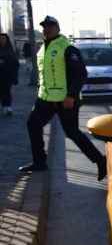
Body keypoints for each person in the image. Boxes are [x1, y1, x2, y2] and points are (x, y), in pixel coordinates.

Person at [19, 16, 106, 180]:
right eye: (44, 27)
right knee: (33, 125)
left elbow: (80, 74)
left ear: (57, 28)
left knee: (72, 133)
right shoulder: (43, 48)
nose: (47, 29)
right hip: (45, 98)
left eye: (50, 26)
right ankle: (39, 162)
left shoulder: (67, 48)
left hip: (65, 100)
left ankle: (100, 161)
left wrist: (71, 95)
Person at [0, 33, 20, 116]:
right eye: (0, 39)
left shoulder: (10, 50)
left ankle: (7, 107)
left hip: (7, 75)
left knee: (6, 91)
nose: (1, 40)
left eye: (3, 39)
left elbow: (15, 63)